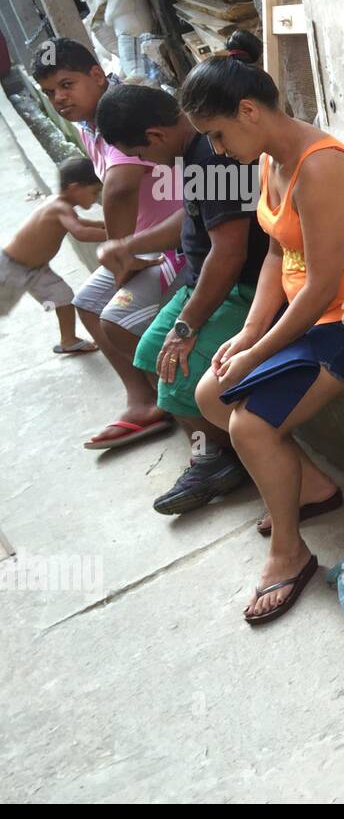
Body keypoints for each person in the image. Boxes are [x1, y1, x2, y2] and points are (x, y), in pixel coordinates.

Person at [186, 31, 344, 625]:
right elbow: (274, 257)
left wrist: (258, 346)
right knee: (210, 393)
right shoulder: (267, 161)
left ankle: (288, 553)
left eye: (217, 133)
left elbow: (319, 288)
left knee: (251, 427)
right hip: (311, 318)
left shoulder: (321, 169)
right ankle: (310, 488)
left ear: (250, 112)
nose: (215, 148)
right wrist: (246, 336)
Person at [94, 83, 270, 515]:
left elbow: (230, 254)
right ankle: (219, 455)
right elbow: (190, 218)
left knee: (178, 373)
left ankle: (261, 462)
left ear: (155, 135)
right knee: (150, 353)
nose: (146, 164)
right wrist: (132, 242)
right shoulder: (192, 150)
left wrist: (187, 327)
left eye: (141, 153)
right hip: (202, 281)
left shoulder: (211, 157)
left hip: (241, 289)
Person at [33, 39, 187, 450]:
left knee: (116, 320)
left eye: (67, 85)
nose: (59, 98)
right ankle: (143, 400)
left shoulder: (122, 113)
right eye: (50, 92)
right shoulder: (88, 122)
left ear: (96, 76)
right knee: (87, 302)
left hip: (176, 244)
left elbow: (119, 188)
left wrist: (124, 256)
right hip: (147, 241)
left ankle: (185, 403)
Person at [1, 157, 105, 353]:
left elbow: (80, 222)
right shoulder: (59, 207)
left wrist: (102, 223)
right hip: (11, 268)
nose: (95, 197)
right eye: (94, 192)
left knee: (63, 297)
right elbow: (80, 233)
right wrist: (116, 234)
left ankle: (68, 340)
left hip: (38, 271)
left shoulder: (62, 206)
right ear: (74, 188)